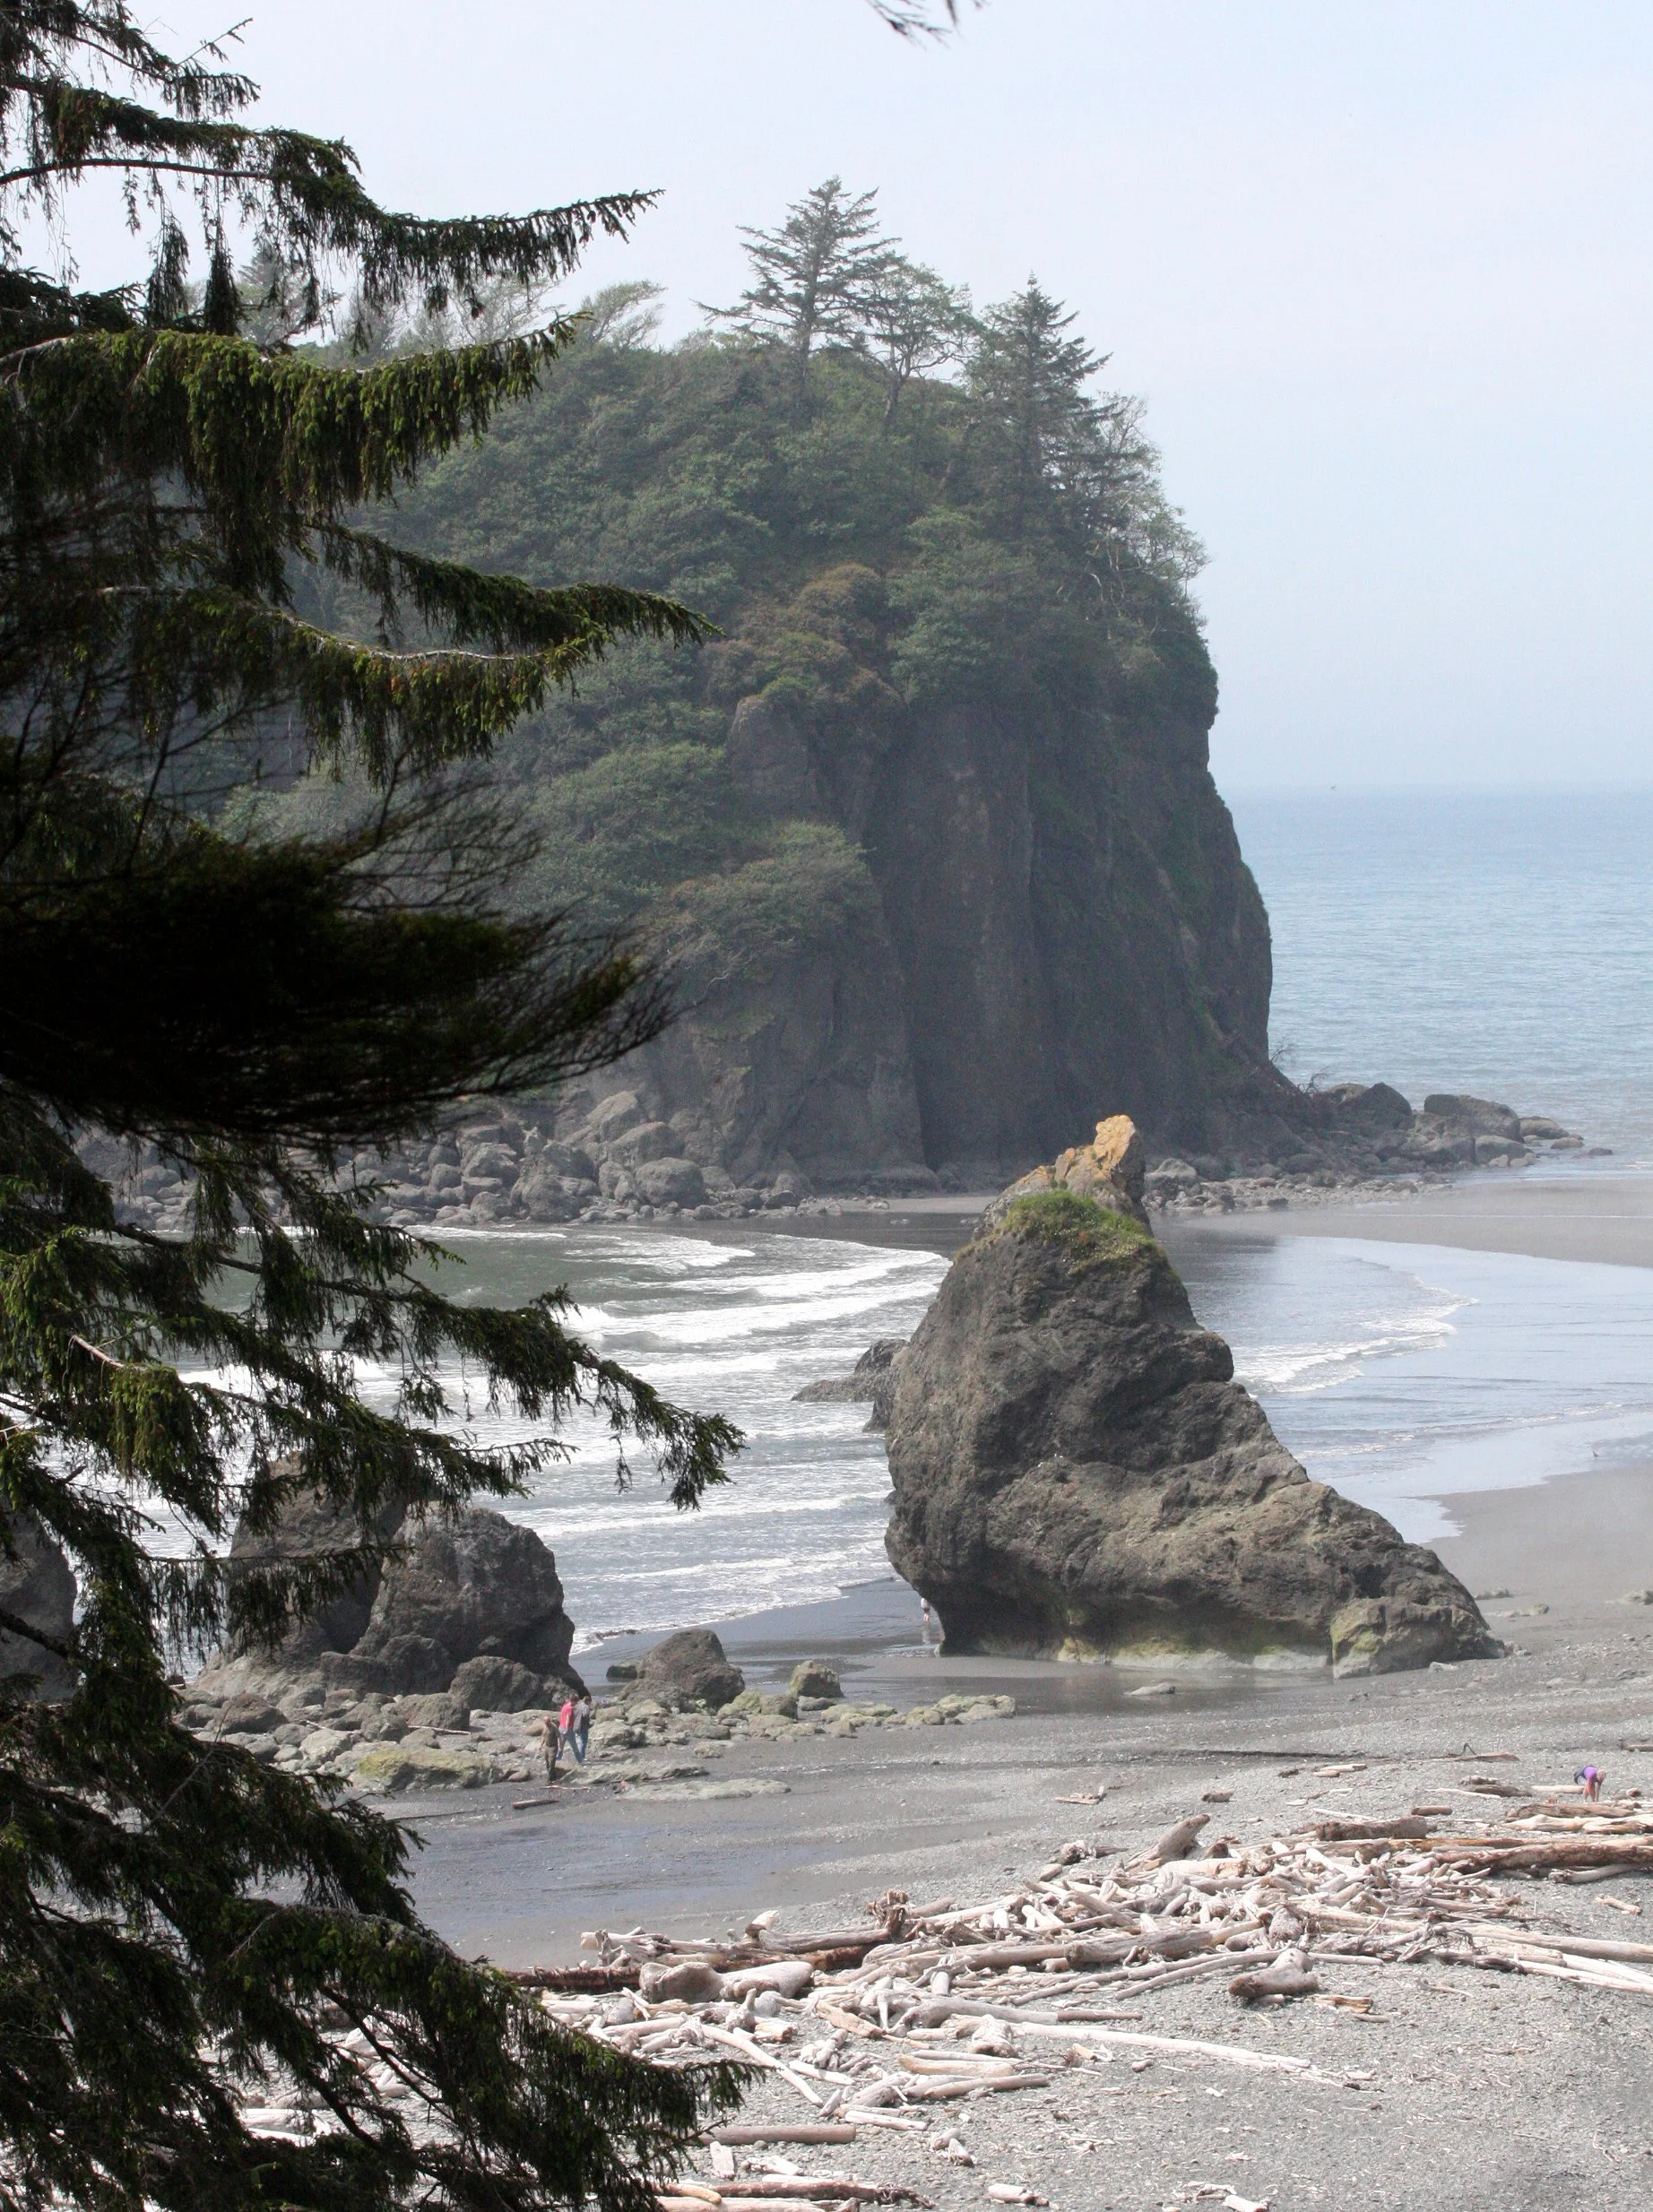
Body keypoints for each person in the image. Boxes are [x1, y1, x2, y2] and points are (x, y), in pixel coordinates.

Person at [536, 1707, 562, 1784]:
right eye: (545, 1721)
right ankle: (553, 1776)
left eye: (548, 1721)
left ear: (549, 1721)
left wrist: (560, 1747)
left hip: (553, 1747)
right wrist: (541, 1745)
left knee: (551, 1762)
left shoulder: (554, 1727)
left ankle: (549, 1779)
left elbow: (559, 1737)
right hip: (546, 1747)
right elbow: (543, 1736)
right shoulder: (544, 1727)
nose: (546, 1723)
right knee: (547, 1763)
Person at [567, 1691, 593, 1766]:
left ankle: (580, 1756)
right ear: (588, 1701)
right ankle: (581, 1757)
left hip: (575, 1726)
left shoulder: (578, 1705)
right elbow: (585, 1715)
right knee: (583, 1742)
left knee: (579, 1741)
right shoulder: (585, 1706)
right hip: (582, 1726)